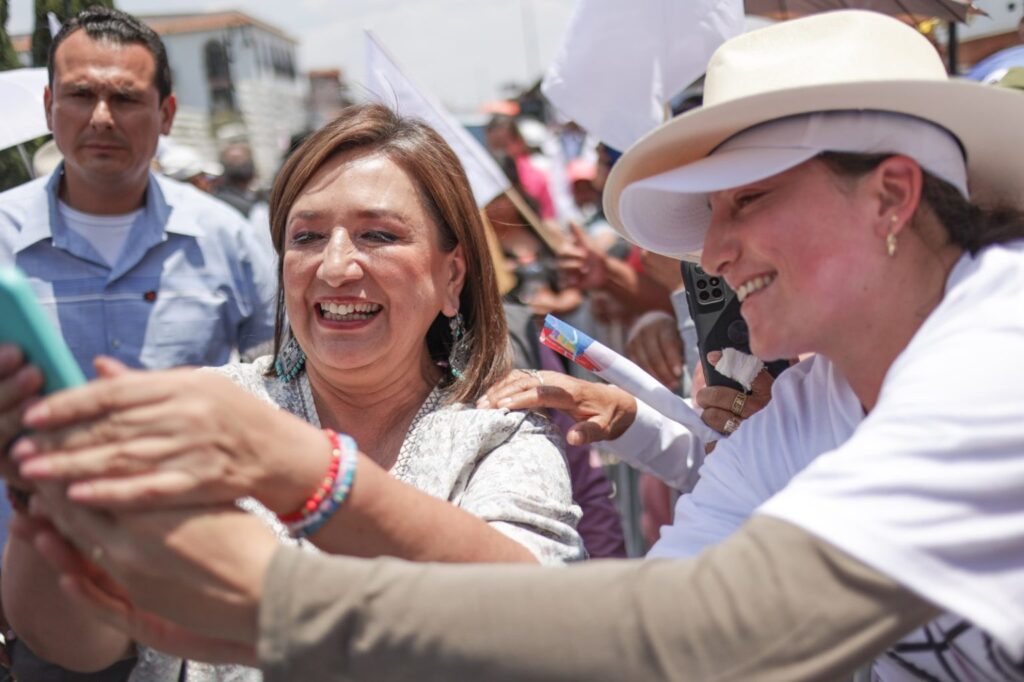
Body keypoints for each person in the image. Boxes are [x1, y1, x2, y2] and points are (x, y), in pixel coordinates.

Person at [10, 10, 1024, 680]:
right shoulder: (806, 411)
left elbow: (724, 631)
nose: (710, 251)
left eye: (749, 198)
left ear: (891, 193)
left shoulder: (999, 343)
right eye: (305, 235)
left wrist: (295, 549)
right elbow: (638, 619)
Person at [1, 103, 583, 679]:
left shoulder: (502, 437)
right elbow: (80, 645)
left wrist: (308, 473)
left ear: (451, 276)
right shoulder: (206, 405)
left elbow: (536, 620)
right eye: (306, 237)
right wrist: (42, 499)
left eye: (377, 234)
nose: (335, 268)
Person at [0, 7, 276, 678]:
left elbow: (288, 387)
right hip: (39, 593)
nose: (101, 117)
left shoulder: (230, 240)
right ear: (48, 104)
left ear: (168, 111)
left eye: (125, 98)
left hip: (197, 595)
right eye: (80, 94)